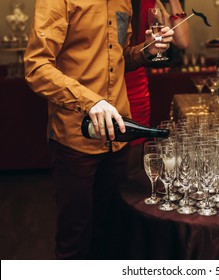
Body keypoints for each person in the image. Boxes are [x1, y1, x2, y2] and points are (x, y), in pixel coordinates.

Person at [24, 0, 174, 260]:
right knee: (76, 239)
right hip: (75, 138)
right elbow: (37, 67)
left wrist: (146, 51)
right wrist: (89, 100)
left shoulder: (123, 1)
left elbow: (119, 56)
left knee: (113, 234)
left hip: (117, 136)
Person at [126, 0, 189, 174]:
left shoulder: (151, 2)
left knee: (134, 154)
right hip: (108, 80)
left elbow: (182, 41)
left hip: (136, 84)